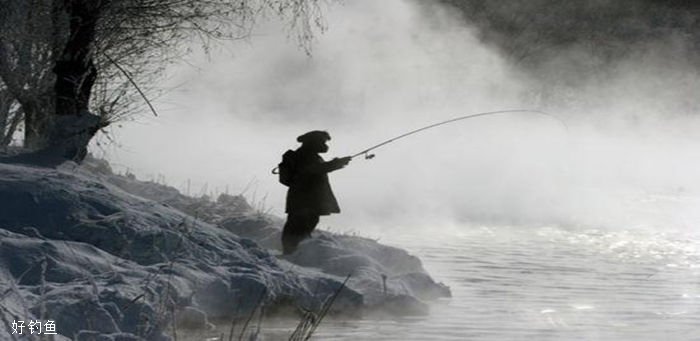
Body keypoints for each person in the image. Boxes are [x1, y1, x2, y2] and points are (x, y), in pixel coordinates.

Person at [282, 130, 351, 254]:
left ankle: (293, 251)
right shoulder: (305, 155)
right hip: (305, 199)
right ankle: (291, 252)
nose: (325, 145)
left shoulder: (307, 155)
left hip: (305, 198)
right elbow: (315, 169)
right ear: (314, 142)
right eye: (323, 142)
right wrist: (336, 163)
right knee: (300, 225)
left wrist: (336, 163)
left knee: (302, 224)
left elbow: (317, 169)